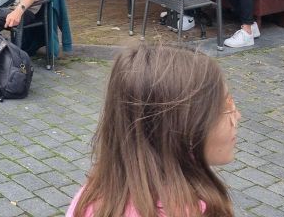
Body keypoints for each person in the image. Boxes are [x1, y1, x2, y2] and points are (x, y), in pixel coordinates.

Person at [66, 43, 238, 217]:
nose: (237, 116)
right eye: (225, 107)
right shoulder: (194, 210)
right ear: (181, 124)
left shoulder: (89, 200)